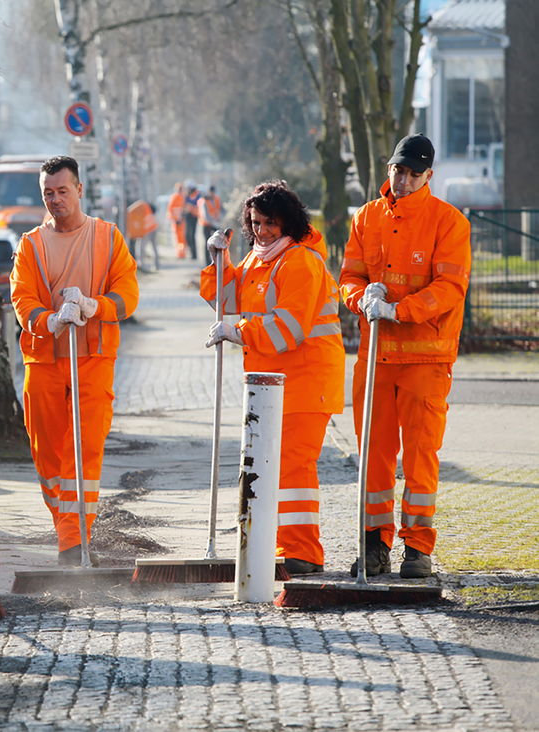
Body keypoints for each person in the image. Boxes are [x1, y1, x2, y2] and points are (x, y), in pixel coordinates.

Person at [339, 134, 470, 579]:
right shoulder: (366, 219)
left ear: (428, 176)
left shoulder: (448, 222)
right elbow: (349, 277)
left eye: (415, 174)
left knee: (420, 455)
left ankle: (418, 549)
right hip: (375, 359)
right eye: (399, 171)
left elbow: (450, 288)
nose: (405, 180)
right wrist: (361, 297)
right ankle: (374, 546)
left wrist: (399, 309)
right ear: (388, 168)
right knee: (372, 456)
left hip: (425, 361)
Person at [200, 180, 344, 574]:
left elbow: (287, 330)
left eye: (270, 223)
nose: (262, 231)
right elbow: (226, 301)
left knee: (294, 467)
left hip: (306, 382)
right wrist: (218, 261)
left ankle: (304, 555)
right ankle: (286, 548)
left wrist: (238, 332)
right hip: (274, 384)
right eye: (256, 223)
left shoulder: (300, 261)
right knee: (274, 466)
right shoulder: (257, 260)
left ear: (288, 223)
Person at [10, 155, 139, 565]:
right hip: (45, 359)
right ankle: (66, 527)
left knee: (83, 451)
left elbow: (127, 295)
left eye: (63, 191)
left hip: (93, 358)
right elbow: (22, 299)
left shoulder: (108, 237)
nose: (55, 200)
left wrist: (91, 306)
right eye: (48, 193)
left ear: (80, 190)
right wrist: (51, 320)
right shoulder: (30, 245)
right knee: (47, 453)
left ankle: (73, 540)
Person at [166, 182, 187, 258]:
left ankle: (181, 254)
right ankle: (180, 254)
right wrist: (175, 219)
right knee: (179, 238)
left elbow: (183, 209)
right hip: (177, 221)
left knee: (181, 238)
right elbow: (170, 210)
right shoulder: (175, 197)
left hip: (180, 220)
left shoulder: (181, 197)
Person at [183, 182, 201, 261]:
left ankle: (194, 255)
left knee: (192, 235)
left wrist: (192, 207)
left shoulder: (198, 197)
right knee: (187, 236)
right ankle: (191, 252)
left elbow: (198, 206)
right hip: (188, 216)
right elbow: (184, 206)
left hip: (194, 217)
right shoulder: (187, 197)